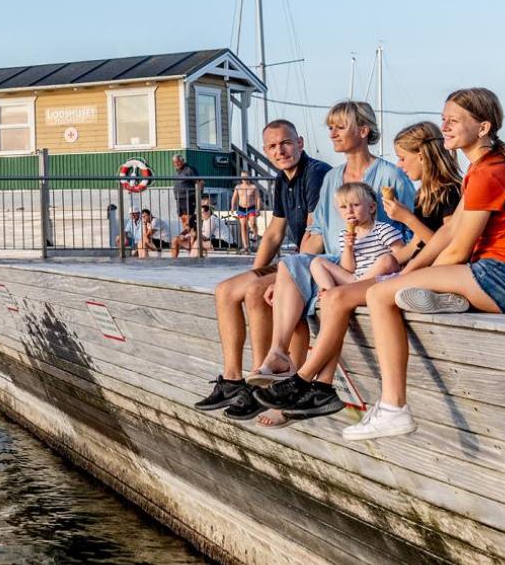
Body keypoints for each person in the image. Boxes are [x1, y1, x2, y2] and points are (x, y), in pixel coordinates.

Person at [346, 87, 505, 440]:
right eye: (444, 120)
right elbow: (448, 230)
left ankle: (394, 407)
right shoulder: (484, 166)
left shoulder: (489, 172)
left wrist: (408, 279)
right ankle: (449, 300)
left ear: (483, 127)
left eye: (454, 121)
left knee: (380, 296)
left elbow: (458, 250)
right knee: (396, 285)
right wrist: (410, 271)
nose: (445, 127)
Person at [254, 121, 462, 422]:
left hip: (429, 273)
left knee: (338, 298)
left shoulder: (446, 193)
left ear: (423, 155)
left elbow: (441, 244)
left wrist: (404, 223)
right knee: (329, 293)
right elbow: (420, 247)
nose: (399, 165)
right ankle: (315, 385)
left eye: (403, 157)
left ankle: (305, 381)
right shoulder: (423, 196)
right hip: (413, 272)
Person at [193, 120, 330, 419]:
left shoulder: (315, 174)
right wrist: (254, 272)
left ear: (300, 143)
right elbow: (273, 234)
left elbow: (315, 234)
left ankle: (260, 382)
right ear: (266, 151)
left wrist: (281, 279)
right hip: (297, 258)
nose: (280, 150)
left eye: (286, 143)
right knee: (227, 290)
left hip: (319, 260)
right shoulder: (283, 179)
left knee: (257, 291)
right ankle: (232, 381)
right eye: (272, 146)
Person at [309, 183, 405, 290]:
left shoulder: (383, 230)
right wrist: (348, 247)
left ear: (372, 207)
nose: (349, 211)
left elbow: (401, 257)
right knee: (316, 262)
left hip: (378, 280)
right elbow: (348, 269)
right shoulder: (344, 235)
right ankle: (329, 290)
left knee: (387, 259)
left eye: (355, 205)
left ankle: (348, 290)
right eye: (343, 207)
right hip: (354, 279)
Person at [232, 171, 261, 252]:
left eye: (246, 177)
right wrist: (232, 207)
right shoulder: (238, 187)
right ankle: (245, 246)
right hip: (241, 208)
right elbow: (234, 198)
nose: (244, 179)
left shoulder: (253, 187)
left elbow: (258, 198)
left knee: (252, 223)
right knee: (243, 226)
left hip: (251, 207)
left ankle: (255, 234)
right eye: (243, 177)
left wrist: (258, 209)